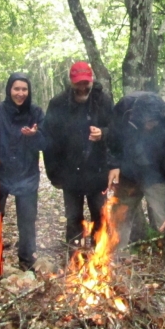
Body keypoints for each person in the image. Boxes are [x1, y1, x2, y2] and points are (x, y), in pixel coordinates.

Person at [107, 91, 165, 284]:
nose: (148, 126)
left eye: (152, 122)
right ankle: (113, 272)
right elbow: (112, 137)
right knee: (118, 220)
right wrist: (114, 164)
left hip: (157, 176)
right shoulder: (125, 108)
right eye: (144, 122)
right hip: (127, 174)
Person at [0, 72, 46, 281]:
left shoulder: (36, 112)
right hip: (0, 172)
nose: (20, 93)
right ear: (9, 90)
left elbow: (47, 142)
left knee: (27, 219)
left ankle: (26, 258)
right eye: (16, 89)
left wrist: (35, 135)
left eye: (24, 89)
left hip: (27, 173)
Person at [42, 62, 113, 251]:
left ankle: (99, 257)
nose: (82, 88)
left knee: (100, 215)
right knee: (73, 218)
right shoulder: (58, 104)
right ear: (71, 82)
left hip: (98, 172)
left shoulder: (103, 101)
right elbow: (49, 141)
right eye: (78, 83)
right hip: (70, 173)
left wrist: (103, 133)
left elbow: (116, 131)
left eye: (85, 83)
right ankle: (74, 259)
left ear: (91, 81)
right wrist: (53, 174)